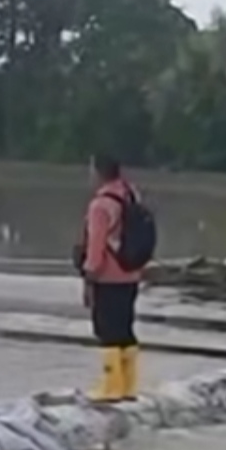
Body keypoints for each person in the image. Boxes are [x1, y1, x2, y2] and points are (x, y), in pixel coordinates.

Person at [78, 154, 146, 402]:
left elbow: (95, 248)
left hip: (108, 277)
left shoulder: (100, 206)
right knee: (125, 328)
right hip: (131, 273)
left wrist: (88, 278)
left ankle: (111, 388)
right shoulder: (131, 195)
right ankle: (129, 387)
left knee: (107, 331)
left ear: (98, 172)